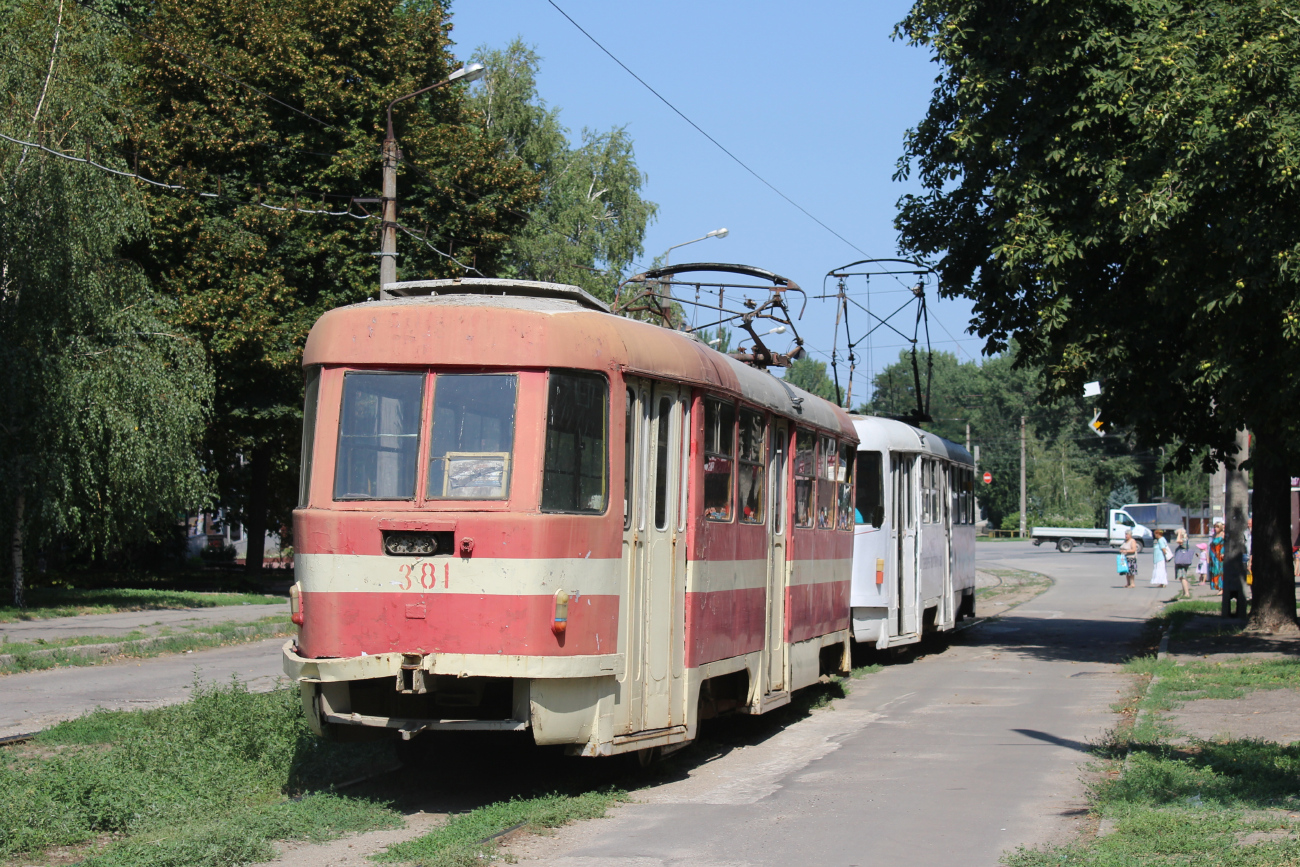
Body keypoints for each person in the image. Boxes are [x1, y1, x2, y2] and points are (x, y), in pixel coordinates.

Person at [1173, 527, 1193, 599]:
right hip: (1181, 562)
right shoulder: (1185, 540)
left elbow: (1178, 541)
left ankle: (1186, 593)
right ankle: (1184, 592)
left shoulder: (1184, 540)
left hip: (1182, 562)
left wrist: (1179, 533)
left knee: (1183, 577)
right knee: (1181, 577)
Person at [1209, 520, 1225, 591]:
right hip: (1213, 555)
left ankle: (1222, 588)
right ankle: (1217, 586)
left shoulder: (1223, 534)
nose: (1215, 529)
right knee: (1215, 571)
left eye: (1217, 527)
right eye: (1215, 527)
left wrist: (1223, 553)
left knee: (1220, 571)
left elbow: (1224, 545)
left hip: (1220, 555)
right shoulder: (1214, 535)